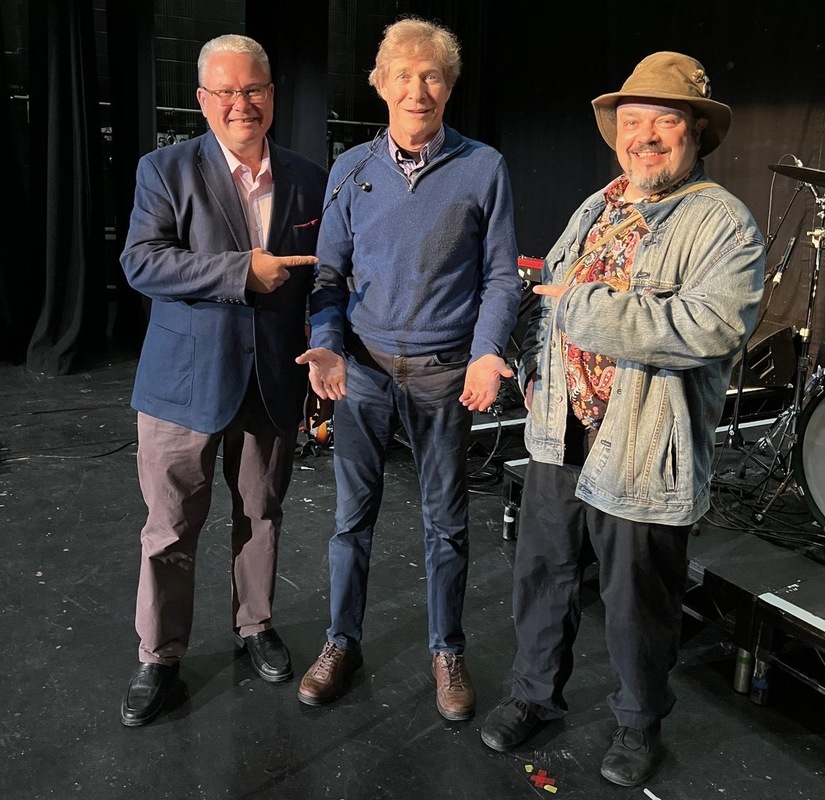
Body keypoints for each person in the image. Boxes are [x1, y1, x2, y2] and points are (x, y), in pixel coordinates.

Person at [480, 52, 766, 785]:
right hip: (559, 434)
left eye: (662, 121)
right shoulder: (596, 204)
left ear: (695, 130)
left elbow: (708, 328)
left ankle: (639, 724)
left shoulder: (721, 224)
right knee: (540, 576)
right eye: (630, 121)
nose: (643, 136)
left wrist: (577, 306)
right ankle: (534, 697)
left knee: (638, 599)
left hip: (643, 447)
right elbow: (548, 292)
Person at [295, 16, 522, 721]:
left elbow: (500, 277)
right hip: (360, 370)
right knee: (349, 521)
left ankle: (445, 650)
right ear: (379, 84)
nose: (416, 88)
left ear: (448, 85)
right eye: (402, 74)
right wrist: (327, 340)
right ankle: (341, 641)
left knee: (446, 524)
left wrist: (488, 350)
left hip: (442, 372)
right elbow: (328, 274)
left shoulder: (483, 166)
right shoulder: (351, 169)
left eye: (430, 75)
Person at [118, 33, 327, 727]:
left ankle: (254, 624)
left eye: (255, 90)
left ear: (273, 94)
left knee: (260, 515)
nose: (242, 104)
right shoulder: (164, 168)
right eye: (227, 92)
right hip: (182, 384)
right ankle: (159, 654)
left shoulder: (307, 175)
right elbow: (142, 263)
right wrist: (240, 271)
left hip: (270, 381)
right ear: (204, 100)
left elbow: (321, 275)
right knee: (170, 527)